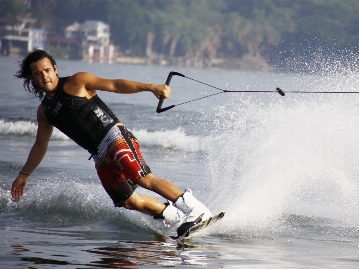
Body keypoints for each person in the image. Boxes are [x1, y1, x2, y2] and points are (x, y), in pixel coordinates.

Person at [10, 49, 212, 238]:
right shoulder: (44, 111)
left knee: (142, 178)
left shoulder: (77, 81)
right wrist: (23, 175)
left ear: (55, 69)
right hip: (99, 155)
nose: (44, 76)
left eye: (47, 70)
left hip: (114, 136)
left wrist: (151, 88)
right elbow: (40, 145)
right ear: (32, 78)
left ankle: (196, 209)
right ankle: (176, 220)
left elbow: (115, 85)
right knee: (128, 201)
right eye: (38, 73)